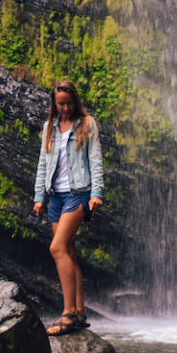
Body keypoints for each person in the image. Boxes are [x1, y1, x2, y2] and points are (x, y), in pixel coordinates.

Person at [33, 79, 103, 335]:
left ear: (76, 101)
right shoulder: (49, 128)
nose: (65, 108)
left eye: (69, 103)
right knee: (70, 253)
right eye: (60, 103)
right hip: (56, 197)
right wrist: (38, 197)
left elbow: (95, 159)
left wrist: (96, 192)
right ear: (54, 103)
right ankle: (81, 311)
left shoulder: (87, 124)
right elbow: (43, 163)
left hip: (79, 194)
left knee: (57, 248)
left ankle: (68, 313)